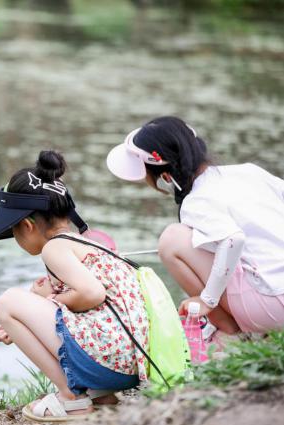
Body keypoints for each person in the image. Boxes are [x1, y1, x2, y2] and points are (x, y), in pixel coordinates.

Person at [0, 150, 149, 422]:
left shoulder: (54, 248)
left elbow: (92, 294)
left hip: (109, 363)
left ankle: (71, 399)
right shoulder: (86, 243)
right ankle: (100, 396)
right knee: (28, 303)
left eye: (13, 231)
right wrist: (32, 317)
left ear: (27, 226)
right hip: (130, 366)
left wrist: (45, 303)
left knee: (8, 303)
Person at [107, 116, 284, 336]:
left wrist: (208, 299)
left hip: (273, 307)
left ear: (165, 176)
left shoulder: (196, 200)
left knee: (172, 239)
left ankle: (226, 326)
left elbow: (233, 239)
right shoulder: (249, 171)